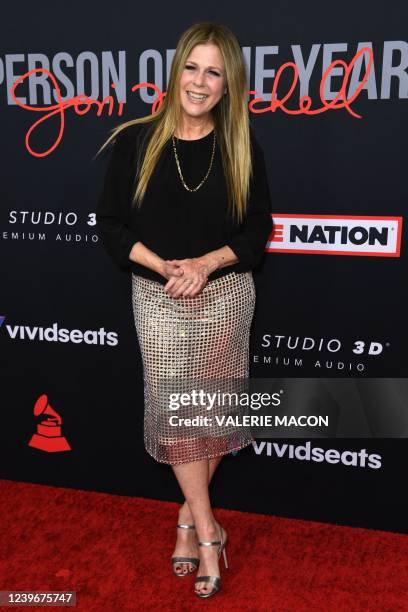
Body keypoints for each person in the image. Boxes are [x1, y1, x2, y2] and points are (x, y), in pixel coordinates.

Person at [95, 21, 273, 599]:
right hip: (159, 294)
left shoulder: (241, 147)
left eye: (213, 72)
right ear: (175, 74)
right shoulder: (135, 141)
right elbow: (113, 226)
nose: (200, 82)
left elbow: (256, 232)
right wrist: (164, 264)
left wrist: (205, 264)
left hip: (223, 294)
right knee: (177, 416)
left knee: (211, 412)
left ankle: (186, 519)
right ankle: (210, 532)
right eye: (191, 68)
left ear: (229, 84)